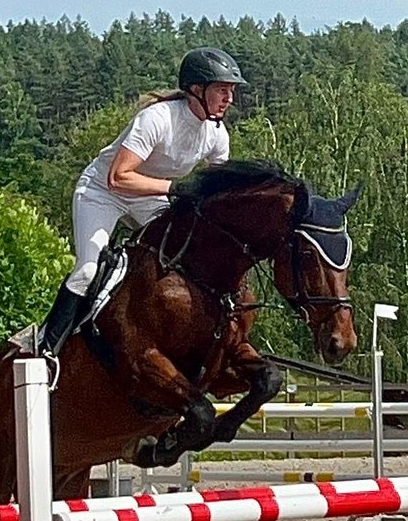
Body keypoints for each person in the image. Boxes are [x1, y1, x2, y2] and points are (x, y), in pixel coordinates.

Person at [37, 46, 249, 355]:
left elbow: (215, 193)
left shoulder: (217, 136)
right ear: (196, 89)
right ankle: (47, 348)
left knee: (185, 261)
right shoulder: (157, 119)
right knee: (87, 270)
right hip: (102, 193)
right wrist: (174, 187)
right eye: (221, 89)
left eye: (231, 90)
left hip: (148, 199)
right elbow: (118, 177)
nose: (229, 97)